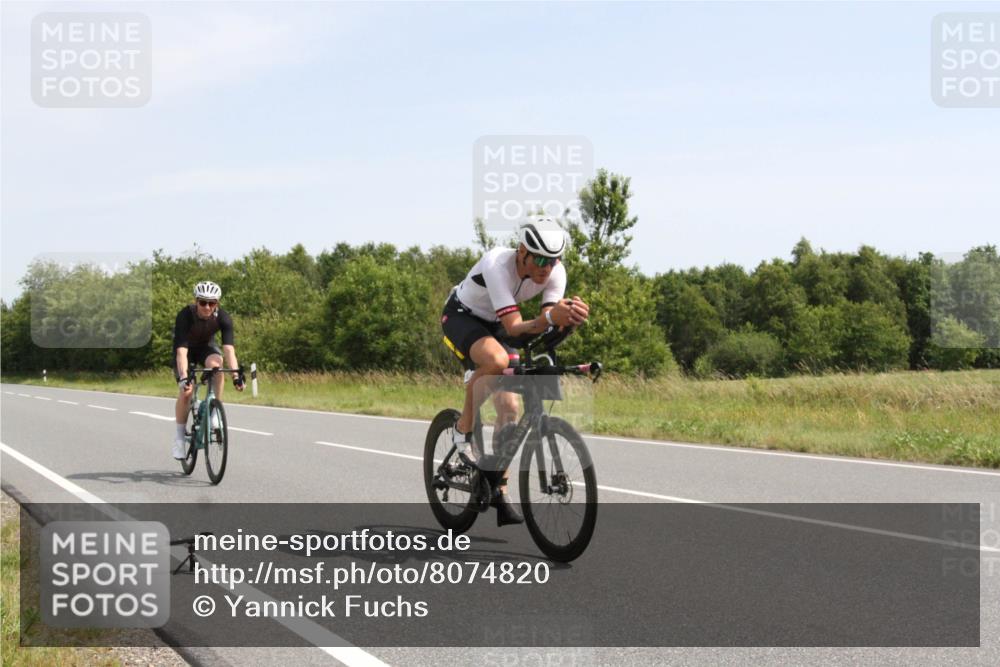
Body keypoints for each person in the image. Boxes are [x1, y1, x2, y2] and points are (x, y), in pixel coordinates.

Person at [441, 216, 589, 525]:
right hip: (463, 316)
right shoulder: (497, 264)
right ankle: (461, 431)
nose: (545, 268)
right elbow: (515, 325)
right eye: (538, 259)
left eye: (553, 260)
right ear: (521, 250)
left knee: (509, 407)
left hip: (498, 328)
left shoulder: (555, 272)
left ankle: (499, 489)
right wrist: (550, 319)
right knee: (496, 362)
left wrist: (567, 319)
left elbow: (544, 321)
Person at [171, 281, 243, 459]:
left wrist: (236, 375)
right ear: (196, 301)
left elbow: (229, 350)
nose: (207, 307)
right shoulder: (185, 315)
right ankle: (179, 438)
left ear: (217, 304)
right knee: (186, 392)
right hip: (185, 350)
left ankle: (214, 412)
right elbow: (181, 351)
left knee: (217, 366)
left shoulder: (223, 317)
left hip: (206, 349)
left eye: (212, 303)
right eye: (203, 302)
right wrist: (183, 377)